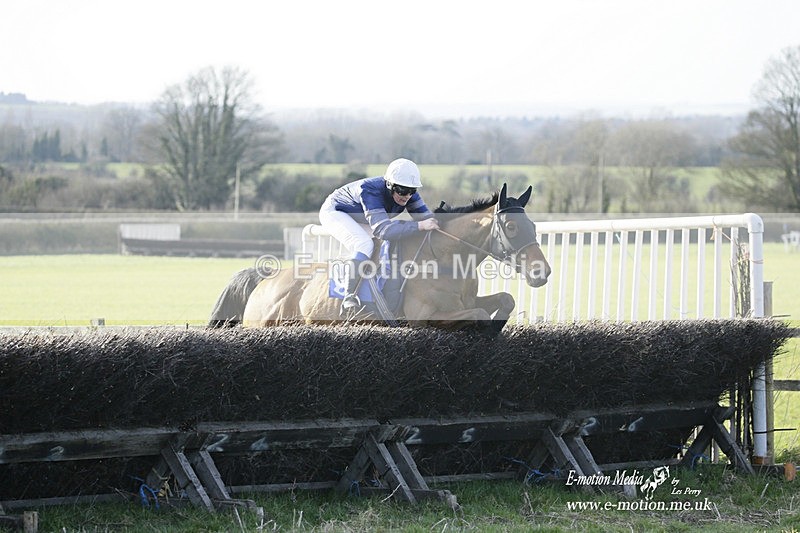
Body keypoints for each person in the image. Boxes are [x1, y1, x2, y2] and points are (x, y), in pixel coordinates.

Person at [319, 158, 439, 312]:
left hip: (361, 217)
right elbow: (383, 230)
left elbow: (427, 219)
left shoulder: (408, 194)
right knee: (364, 244)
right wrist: (420, 226)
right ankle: (350, 296)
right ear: (390, 185)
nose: (407, 195)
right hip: (336, 211)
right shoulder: (370, 191)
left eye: (412, 190)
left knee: (388, 242)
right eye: (402, 190)